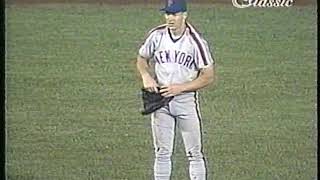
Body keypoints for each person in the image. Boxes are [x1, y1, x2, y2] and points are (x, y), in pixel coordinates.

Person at [136, 0, 215, 179]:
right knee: (162, 152)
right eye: (168, 14)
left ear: (184, 15)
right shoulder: (157, 35)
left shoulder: (196, 42)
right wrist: (146, 76)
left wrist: (181, 88)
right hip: (161, 100)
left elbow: (208, 75)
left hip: (185, 102)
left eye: (175, 14)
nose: (170, 18)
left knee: (194, 153)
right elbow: (142, 58)